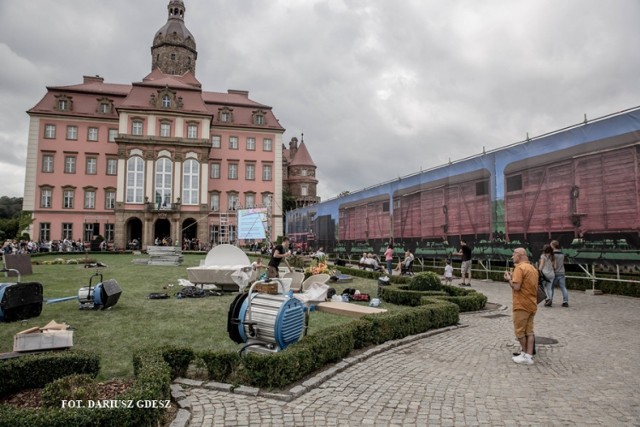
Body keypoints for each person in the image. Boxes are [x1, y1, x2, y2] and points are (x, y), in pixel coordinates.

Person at [503, 247, 539, 365]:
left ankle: (524, 353)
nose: (513, 257)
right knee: (529, 331)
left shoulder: (519, 268)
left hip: (521, 304)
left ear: (519, 255)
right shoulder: (532, 268)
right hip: (532, 303)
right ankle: (528, 355)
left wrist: (509, 279)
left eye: (514, 255)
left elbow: (516, 287)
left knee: (519, 332)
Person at [550, 240, 569, 307]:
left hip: (554, 273)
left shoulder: (552, 254)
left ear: (553, 245)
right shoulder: (562, 254)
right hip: (562, 272)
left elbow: (551, 264)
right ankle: (565, 301)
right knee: (563, 287)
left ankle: (550, 300)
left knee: (551, 287)